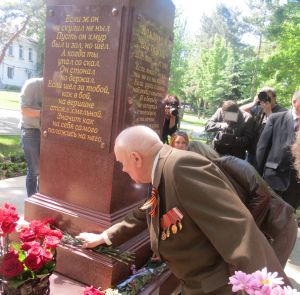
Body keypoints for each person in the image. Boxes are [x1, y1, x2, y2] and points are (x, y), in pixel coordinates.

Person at [77, 125, 290, 294]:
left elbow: (237, 229)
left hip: (215, 287)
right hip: (197, 284)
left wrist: (264, 289)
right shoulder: (162, 167)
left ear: (136, 157)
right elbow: (146, 212)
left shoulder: (181, 167)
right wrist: (106, 236)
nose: (123, 169)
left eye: (122, 163)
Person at [188, 141, 298, 267]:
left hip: (281, 224)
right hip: (265, 228)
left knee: (268, 277)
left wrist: (245, 229)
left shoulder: (228, 163)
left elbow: (262, 195)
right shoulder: (213, 177)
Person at [256, 89, 300, 210]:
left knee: (287, 217)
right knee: (268, 213)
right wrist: (258, 176)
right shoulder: (275, 118)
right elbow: (262, 148)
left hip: (296, 184)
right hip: (274, 177)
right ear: (294, 102)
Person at [240, 86, 287, 166]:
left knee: (260, 177)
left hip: (268, 154)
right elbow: (240, 111)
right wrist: (254, 103)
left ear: (274, 98)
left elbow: (279, 130)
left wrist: (268, 112)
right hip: (252, 151)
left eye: (268, 97)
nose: (265, 99)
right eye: (263, 96)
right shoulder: (258, 108)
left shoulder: (283, 112)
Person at [19, 77, 43, 197]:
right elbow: (24, 110)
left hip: (49, 135)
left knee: (46, 172)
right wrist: (45, 112)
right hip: (30, 132)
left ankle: (41, 201)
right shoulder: (32, 85)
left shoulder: (58, 88)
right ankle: (32, 201)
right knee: (34, 171)